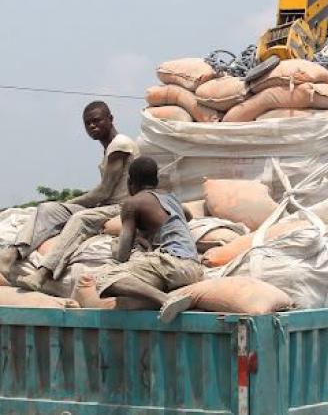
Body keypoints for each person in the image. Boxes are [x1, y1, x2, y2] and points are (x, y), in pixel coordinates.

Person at [0, 101, 139, 289]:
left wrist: (70, 202)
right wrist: (63, 205)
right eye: (87, 123)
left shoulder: (120, 145)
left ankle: (44, 272)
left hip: (121, 207)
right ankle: (13, 253)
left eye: (96, 121)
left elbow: (104, 191)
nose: (92, 126)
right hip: (105, 206)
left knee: (80, 218)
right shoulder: (109, 148)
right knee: (48, 209)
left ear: (111, 119)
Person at [86, 156, 202, 323]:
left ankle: (165, 299)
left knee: (106, 276)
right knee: (129, 301)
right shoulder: (171, 198)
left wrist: (119, 244)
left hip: (171, 264)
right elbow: (188, 215)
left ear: (130, 183)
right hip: (193, 269)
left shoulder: (132, 203)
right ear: (155, 180)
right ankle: (162, 298)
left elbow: (122, 256)